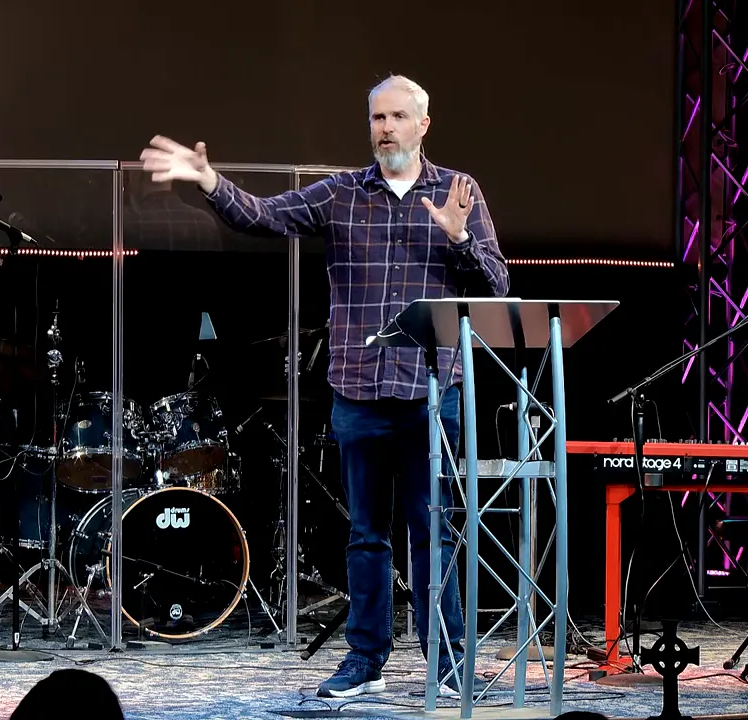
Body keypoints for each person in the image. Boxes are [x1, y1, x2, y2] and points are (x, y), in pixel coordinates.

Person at [140, 74, 509, 698]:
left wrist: (458, 237)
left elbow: (496, 285)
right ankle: (365, 659)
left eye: (396, 116)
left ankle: (446, 663)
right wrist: (209, 181)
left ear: (423, 124)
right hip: (359, 392)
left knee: (435, 532)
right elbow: (263, 216)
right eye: (376, 118)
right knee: (365, 535)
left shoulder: (457, 191)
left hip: (430, 392)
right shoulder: (342, 193)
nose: (385, 128)